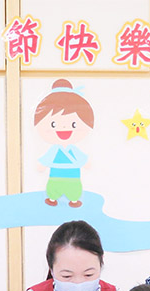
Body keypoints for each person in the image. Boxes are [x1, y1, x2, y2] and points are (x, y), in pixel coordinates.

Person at [35, 79, 94, 208]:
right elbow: (48, 158)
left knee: (74, 189)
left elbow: (81, 158)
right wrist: (42, 165)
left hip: (73, 175)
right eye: (53, 124)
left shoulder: (73, 149)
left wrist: (85, 163)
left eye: (74, 124)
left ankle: (74, 200)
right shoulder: (55, 149)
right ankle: (52, 198)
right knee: (54, 187)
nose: (63, 128)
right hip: (56, 174)